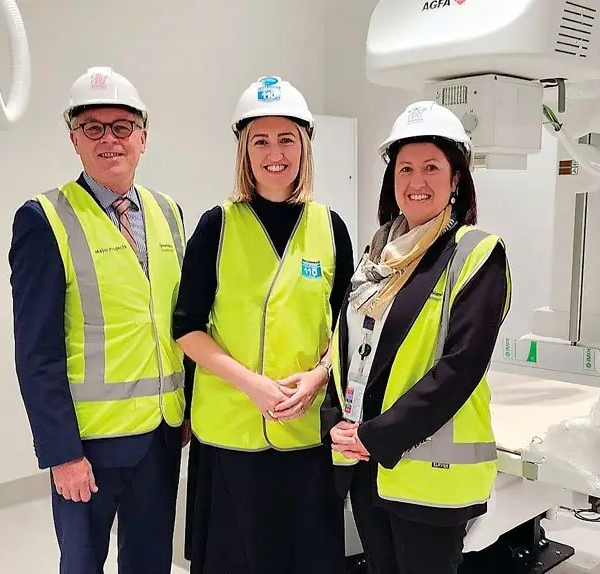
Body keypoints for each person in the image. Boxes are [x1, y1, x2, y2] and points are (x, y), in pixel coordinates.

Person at [9, 66, 191, 574]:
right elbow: (36, 351)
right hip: (89, 445)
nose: (109, 139)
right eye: (93, 128)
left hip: (161, 435)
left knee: (150, 560)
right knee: (83, 562)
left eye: (122, 127)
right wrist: (61, 453)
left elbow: (180, 322)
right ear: (75, 139)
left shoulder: (169, 212)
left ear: (143, 138)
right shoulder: (45, 219)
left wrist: (189, 408)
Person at [321, 101, 513, 574]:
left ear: (455, 179)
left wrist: (377, 436)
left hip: (429, 475)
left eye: (431, 167)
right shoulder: (378, 254)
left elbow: (460, 367)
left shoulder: (477, 254)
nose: (416, 180)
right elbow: (348, 348)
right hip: (366, 465)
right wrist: (334, 420)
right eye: (405, 168)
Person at [173, 75, 355, 574]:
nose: (275, 153)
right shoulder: (217, 225)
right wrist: (252, 385)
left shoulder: (330, 227)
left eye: (286, 139)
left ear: (304, 146)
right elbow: (187, 328)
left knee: (304, 559)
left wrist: (318, 376)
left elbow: (348, 328)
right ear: (244, 151)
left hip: (305, 430)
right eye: (261, 141)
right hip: (232, 434)